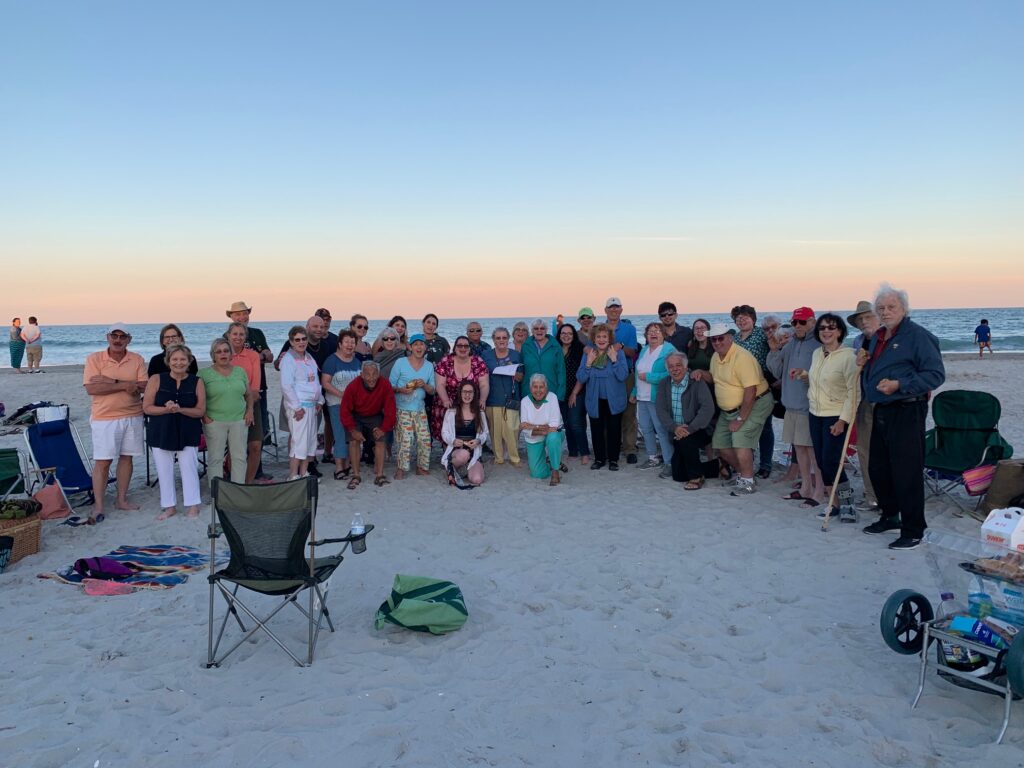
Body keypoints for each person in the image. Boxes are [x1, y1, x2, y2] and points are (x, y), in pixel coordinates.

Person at [861, 284, 945, 550]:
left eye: (891, 307)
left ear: (904, 309)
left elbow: (935, 374)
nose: (885, 312)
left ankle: (913, 529)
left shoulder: (918, 336)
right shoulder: (879, 336)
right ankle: (890, 516)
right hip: (882, 409)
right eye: (881, 308)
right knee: (879, 468)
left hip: (908, 407)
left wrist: (899, 385)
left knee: (906, 471)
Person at [83, 323, 149, 521]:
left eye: (122, 336)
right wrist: (123, 385)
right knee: (103, 462)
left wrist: (109, 381)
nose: (118, 340)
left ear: (129, 339)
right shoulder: (94, 359)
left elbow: (144, 385)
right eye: (114, 336)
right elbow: (92, 389)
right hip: (105, 418)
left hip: (133, 415)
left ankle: (121, 500)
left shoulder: (137, 359)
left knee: (127, 458)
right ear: (108, 337)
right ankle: (99, 506)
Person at [703, 323, 773, 495]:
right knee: (720, 444)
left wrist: (741, 419)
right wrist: (700, 372)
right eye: (714, 339)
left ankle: (748, 482)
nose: (718, 342)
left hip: (755, 403)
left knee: (741, 440)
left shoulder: (742, 357)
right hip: (729, 410)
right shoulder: (716, 357)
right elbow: (714, 378)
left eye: (721, 338)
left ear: (730, 337)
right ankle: (743, 474)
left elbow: (751, 390)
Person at [766, 307, 823, 506]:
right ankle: (806, 487)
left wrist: (805, 375)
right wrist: (774, 350)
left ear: (812, 322)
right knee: (800, 450)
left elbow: (824, 378)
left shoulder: (819, 344)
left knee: (813, 452)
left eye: (802, 322)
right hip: (791, 405)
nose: (798, 326)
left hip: (810, 406)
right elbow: (777, 370)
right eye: (795, 322)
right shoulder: (791, 345)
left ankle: (819, 490)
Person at [143, 344, 205, 519]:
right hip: (161, 430)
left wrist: (180, 409)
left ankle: (193, 505)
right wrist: (166, 409)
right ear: (168, 361)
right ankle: (169, 506)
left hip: (188, 430)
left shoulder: (197, 381)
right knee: (164, 470)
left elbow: (200, 411)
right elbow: (147, 408)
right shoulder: (156, 379)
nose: (179, 363)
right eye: (175, 359)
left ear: (189, 361)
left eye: (183, 359)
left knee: (189, 468)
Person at [807, 314, 859, 520]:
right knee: (821, 462)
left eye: (831, 327)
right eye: (822, 328)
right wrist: (804, 375)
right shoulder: (817, 354)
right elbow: (819, 380)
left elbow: (853, 392)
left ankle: (848, 505)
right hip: (815, 414)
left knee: (832, 462)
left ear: (839, 331)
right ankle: (833, 503)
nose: (826, 331)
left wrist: (842, 420)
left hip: (835, 416)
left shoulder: (849, 356)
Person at [226, 301, 274, 481]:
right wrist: (260, 355)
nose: (242, 317)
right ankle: (234, 474)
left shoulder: (257, 333)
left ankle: (257, 472)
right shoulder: (226, 337)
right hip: (233, 395)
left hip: (258, 389)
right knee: (236, 439)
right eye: (237, 314)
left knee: (258, 433)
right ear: (231, 317)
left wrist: (260, 356)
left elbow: (268, 356)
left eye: (244, 313)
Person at [656, 352, 716, 489]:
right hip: (677, 431)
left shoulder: (696, 382)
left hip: (700, 429)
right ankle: (717, 466)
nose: (675, 369)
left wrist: (690, 428)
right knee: (678, 475)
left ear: (685, 366)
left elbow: (708, 409)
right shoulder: (664, 384)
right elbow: (661, 410)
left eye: (678, 365)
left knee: (686, 441)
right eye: (671, 366)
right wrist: (675, 428)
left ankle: (696, 477)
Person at [199, 338, 252, 486]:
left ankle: (238, 490)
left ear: (231, 354)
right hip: (214, 421)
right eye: (218, 351)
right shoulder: (203, 374)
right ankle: (217, 493)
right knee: (215, 458)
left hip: (239, 420)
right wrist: (205, 417)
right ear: (213, 355)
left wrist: (250, 411)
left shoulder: (240, 372)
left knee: (239, 457)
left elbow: (248, 395)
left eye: (226, 351)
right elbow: (198, 398)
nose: (223, 354)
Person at [576, 323, 629, 470]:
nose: (601, 339)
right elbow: (581, 378)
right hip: (595, 399)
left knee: (614, 429)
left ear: (609, 338)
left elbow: (623, 375)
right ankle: (599, 459)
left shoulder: (617, 353)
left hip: (614, 399)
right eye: (598, 336)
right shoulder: (589, 353)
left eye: (604, 336)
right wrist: (588, 364)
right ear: (593, 338)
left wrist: (614, 360)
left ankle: (613, 460)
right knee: (596, 429)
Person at [732, 304, 774, 480]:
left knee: (764, 427)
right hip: (740, 388)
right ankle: (748, 459)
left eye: (745, 317)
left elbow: (775, 349)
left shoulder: (762, 334)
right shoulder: (734, 338)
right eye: (738, 318)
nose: (741, 320)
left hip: (761, 385)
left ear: (753, 318)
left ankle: (766, 464)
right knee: (745, 425)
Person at [847, 301, 881, 514]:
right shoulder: (858, 342)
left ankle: (890, 495)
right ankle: (872, 496)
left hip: (890, 402)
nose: (864, 322)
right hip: (865, 401)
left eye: (868, 317)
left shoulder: (889, 338)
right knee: (865, 451)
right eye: (860, 319)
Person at [340, 361, 396, 488]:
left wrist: (383, 428)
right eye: (367, 374)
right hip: (356, 415)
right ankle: (356, 475)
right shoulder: (353, 386)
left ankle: (380, 475)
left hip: (375, 415)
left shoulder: (385, 384)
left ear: (379, 374)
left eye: (374, 374)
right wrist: (352, 429)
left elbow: (390, 410)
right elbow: (344, 410)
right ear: (361, 375)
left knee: (381, 440)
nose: (371, 378)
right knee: (354, 441)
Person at [632, 322, 678, 476]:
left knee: (661, 429)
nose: (653, 333)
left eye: (657, 330)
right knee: (645, 428)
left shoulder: (668, 350)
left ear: (663, 334)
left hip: (657, 397)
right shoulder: (644, 350)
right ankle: (653, 457)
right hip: (642, 397)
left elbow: (673, 372)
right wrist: (634, 391)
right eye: (650, 331)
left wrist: (650, 377)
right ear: (646, 335)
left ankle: (669, 462)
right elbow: (638, 374)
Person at [279, 325, 324, 480]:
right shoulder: (288, 360)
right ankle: (293, 475)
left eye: (304, 339)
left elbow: (315, 381)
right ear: (291, 342)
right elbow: (287, 386)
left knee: (310, 442)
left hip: (312, 406)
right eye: (297, 339)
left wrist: (320, 400)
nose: (301, 342)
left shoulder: (309, 358)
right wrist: (297, 407)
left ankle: (304, 473)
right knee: (298, 442)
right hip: (299, 408)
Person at [390, 334, 435, 479]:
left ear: (425, 347)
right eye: (415, 344)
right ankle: (401, 468)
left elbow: (433, 390)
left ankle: (421, 467)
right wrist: (401, 390)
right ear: (410, 347)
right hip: (402, 407)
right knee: (406, 439)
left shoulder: (429, 366)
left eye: (421, 344)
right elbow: (389, 385)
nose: (419, 347)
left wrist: (425, 385)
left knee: (424, 439)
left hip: (419, 408)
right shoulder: (400, 363)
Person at [226, 322, 264, 483]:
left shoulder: (253, 356)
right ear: (228, 336)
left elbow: (255, 388)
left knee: (255, 447)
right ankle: (236, 481)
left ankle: (247, 484)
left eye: (241, 334)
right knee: (235, 450)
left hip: (251, 404)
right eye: (235, 334)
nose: (238, 337)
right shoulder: (223, 354)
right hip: (230, 407)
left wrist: (248, 408)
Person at [431, 335, 490, 440]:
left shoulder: (478, 362)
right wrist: (445, 399)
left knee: (472, 433)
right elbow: (440, 384)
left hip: (470, 402)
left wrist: (483, 399)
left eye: (466, 346)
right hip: (449, 402)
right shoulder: (446, 361)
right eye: (460, 346)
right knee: (448, 433)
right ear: (454, 348)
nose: (463, 348)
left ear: (470, 348)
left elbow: (484, 384)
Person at [321, 330, 362, 480]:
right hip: (336, 404)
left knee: (351, 436)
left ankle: (348, 465)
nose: (350, 345)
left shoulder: (356, 361)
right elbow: (325, 383)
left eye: (353, 342)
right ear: (340, 344)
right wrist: (342, 395)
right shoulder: (332, 361)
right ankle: (339, 467)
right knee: (339, 435)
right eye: (347, 342)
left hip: (354, 406)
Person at [604, 298, 640, 463]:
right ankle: (611, 446)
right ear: (605, 310)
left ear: (621, 309)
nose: (614, 310)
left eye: (616, 307)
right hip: (605, 376)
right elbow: (593, 349)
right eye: (611, 307)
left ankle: (630, 449)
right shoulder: (600, 328)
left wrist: (618, 347)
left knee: (629, 413)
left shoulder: (629, 328)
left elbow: (632, 352)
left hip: (626, 375)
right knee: (609, 412)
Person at [481, 327, 523, 467]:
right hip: (493, 398)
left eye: (504, 338)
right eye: (498, 338)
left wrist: (512, 373)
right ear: (493, 339)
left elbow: (521, 376)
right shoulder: (486, 355)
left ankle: (514, 458)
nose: (501, 341)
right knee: (495, 431)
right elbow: (484, 374)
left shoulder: (516, 355)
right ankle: (498, 458)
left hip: (511, 397)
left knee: (512, 429)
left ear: (508, 339)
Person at [441, 379, 489, 487]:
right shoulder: (451, 411)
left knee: (477, 480)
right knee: (463, 455)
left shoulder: (479, 412)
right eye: (464, 392)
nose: (467, 395)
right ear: (460, 393)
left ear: (474, 394)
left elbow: (485, 433)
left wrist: (478, 440)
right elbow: (444, 432)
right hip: (456, 450)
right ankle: (452, 467)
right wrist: (452, 441)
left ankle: (464, 470)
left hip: (473, 450)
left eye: (470, 392)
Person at [520, 374, 565, 485]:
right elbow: (525, 429)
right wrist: (542, 428)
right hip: (534, 438)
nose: (538, 390)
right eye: (535, 387)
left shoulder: (552, 397)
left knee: (553, 437)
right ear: (530, 388)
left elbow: (555, 424)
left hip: (553, 434)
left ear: (546, 388)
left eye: (542, 387)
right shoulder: (525, 401)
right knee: (537, 474)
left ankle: (555, 471)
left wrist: (533, 426)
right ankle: (551, 462)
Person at [557, 323, 590, 465]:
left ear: (574, 335)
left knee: (576, 423)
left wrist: (574, 393)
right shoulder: (555, 350)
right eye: (563, 333)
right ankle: (572, 451)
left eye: (569, 333)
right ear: (559, 335)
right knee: (567, 423)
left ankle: (584, 452)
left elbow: (582, 374)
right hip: (561, 392)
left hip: (578, 391)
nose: (566, 336)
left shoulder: (580, 349)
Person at [521, 320, 565, 421]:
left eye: (542, 328)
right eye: (536, 328)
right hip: (530, 391)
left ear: (546, 330)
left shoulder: (555, 346)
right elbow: (522, 369)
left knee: (551, 423)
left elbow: (561, 371)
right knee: (532, 424)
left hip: (551, 390)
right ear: (532, 331)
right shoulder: (526, 346)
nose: (539, 331)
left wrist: (560, 394)